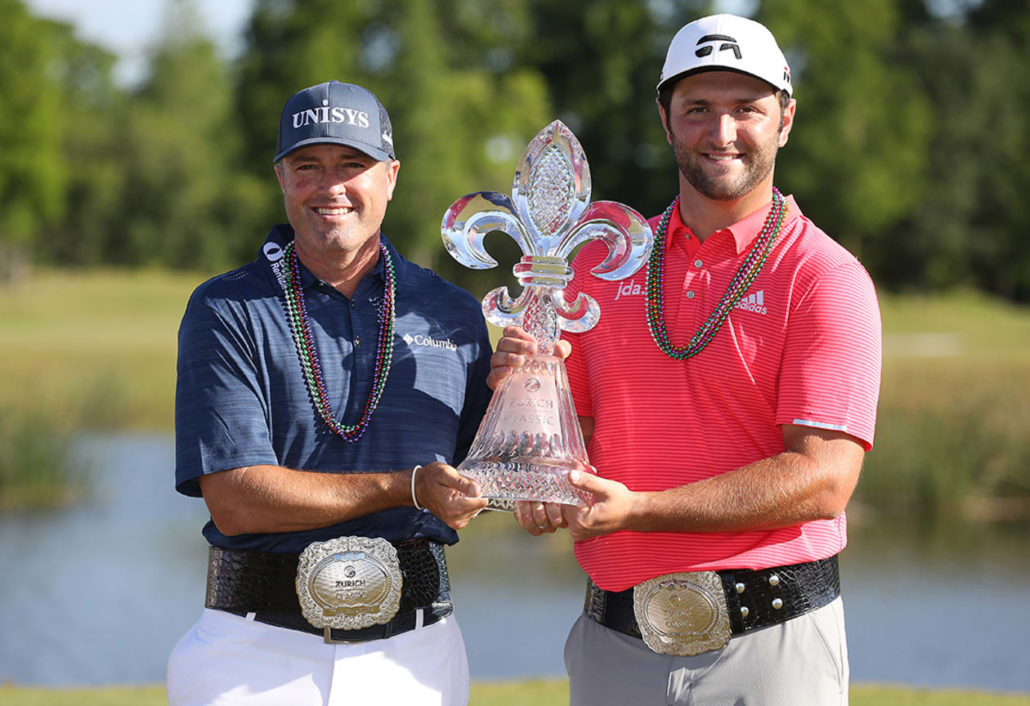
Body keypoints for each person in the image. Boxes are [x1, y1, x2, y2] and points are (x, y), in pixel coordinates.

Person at [490, 14, 881, 706]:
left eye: (747, 109)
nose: (722, 132)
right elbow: (564, 443)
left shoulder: (825, 276)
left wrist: (640, 509)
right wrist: (527, 437)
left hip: (770, 644)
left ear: (785, 120)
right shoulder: (600, 265)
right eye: (698, 108)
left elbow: (822, 480)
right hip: (613, 639)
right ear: (666, 120)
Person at [168, 80, 491, 706]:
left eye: (353, 165)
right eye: (307, 166)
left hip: (416, 652)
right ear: (282, 178)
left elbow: (490, 477)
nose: (330, 186)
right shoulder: (227, 307)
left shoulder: (452, 312)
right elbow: (238, 500)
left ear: (390, 177)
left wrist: (532, 393)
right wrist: (408, 487)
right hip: (253, 652)